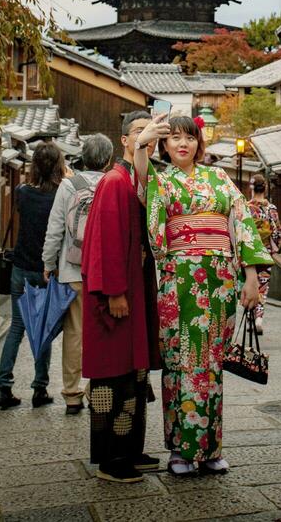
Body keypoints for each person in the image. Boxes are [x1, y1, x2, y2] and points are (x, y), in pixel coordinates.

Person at [134, 114, 273, 477]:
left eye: (190, 138)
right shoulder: (161, 182)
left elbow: (242, 225)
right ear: (164, 145)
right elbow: (142, 182)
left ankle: (211, 448)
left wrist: (251, 277)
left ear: (200, 143)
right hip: (178, 279)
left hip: (219, 280)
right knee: (180, 361)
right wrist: (140, 144)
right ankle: (180, 450)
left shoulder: (220, 178)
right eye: (175, 138)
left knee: (211, 363)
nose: (183, 144)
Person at [80, 111, 161, 484]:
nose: (147, 136)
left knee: (134, 375)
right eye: (138, 131)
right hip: (117, 292)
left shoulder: (139, 178)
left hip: (136, 287)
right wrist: (113, 291)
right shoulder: (114, 181)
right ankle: (112, 458)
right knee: (114, 377)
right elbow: (107, 242)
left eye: (151, 131)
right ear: (125, 141)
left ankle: (130, 448)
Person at [43, 133, 114, 414]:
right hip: (107, 272)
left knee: (74, 333)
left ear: (83, 157)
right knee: (104, 331)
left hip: (73, 270)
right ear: (108, 159)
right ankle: (95, 387)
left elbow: (55, 229)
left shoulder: (68, 186)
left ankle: (72, 394)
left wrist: (48, 264)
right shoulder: (115, 183)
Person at [0, 141, 65, 410]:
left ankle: (3, 386)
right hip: (48, 270)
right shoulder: (61, 194)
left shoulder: (22, 192)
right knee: (42, 329)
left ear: (34, 165)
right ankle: (40, 388)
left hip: (21, 268)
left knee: (16, 327)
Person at [247, 174, 281, 333]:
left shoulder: (246, 207)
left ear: (251, 188)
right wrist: (276, 248)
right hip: (265, 252)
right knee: (262, 287)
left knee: (248, 285)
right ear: (265, 188)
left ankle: (250, 321)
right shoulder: (271, 208)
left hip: (249, 253)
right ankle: (259, 317)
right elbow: (276, 232)